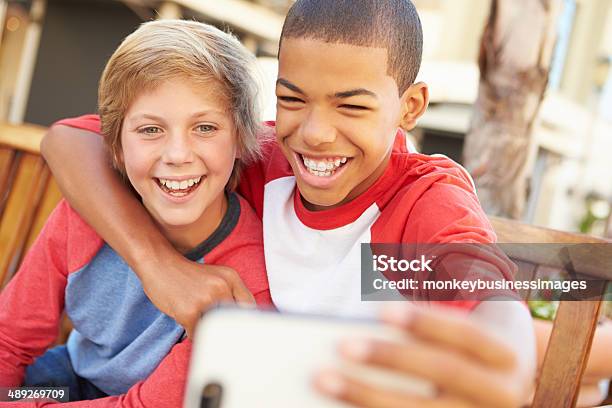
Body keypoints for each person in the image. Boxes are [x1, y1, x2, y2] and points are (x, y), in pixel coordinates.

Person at [42, 1, 536, 406]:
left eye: (352, 106)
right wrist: (158, 267)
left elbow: (489, 295)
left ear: (409, 107)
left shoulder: (419, 203)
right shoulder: (267, 159)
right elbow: (67, 142)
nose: (316, 134)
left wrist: (509, 364)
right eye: (293, 100)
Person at [0, 20, 270, 406]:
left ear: (241, 140)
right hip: (64, 382)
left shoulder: (248, 279)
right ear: (116, 148)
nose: (177, 155)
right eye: (150, 130)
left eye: (205, 127)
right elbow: (9, 341)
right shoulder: (81, 217)